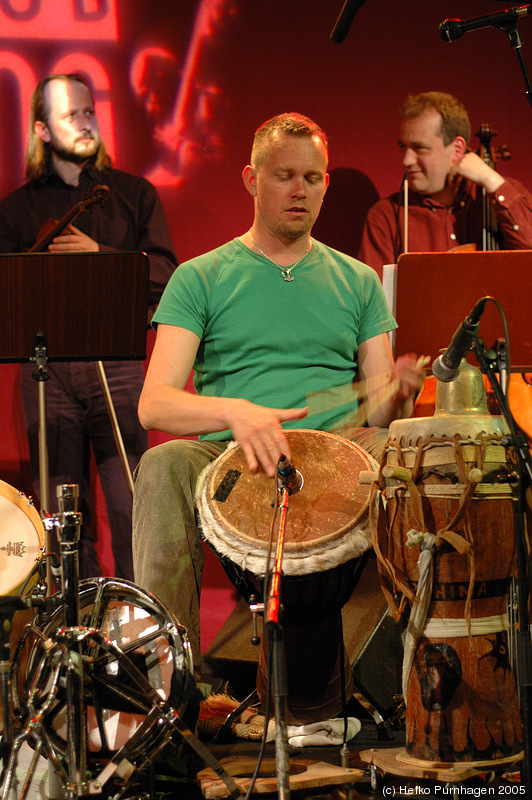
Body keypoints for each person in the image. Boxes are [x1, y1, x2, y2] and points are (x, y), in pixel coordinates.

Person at [132, 111, 424, 674]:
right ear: (251, 179)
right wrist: (235, 411)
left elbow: (382, 410)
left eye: (313, 178)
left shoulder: (358, 281)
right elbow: (155, 403)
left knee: (409, 456)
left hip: (339, 450)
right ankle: (168, 686)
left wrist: (400, 392)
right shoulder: (201, 276)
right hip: (231, 458)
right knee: (165, 462)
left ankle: (415, 675)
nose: (300, 190)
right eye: (284, 175)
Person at [0, 73, 178, 580]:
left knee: (130, 505)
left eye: (88, 111)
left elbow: (165, 274)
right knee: (61, 513)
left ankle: (136, 620)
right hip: (47, 374)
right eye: (69, 115)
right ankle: (75, 627)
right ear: (41, 130)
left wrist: (100, 256)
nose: (84, 122)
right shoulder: (16, 210)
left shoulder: (133, 195)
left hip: (119, 367)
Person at [359, 91, 532, 277]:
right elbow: (374, 299)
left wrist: (492, 181)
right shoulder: (386, 217)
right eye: (403, 147)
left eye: (420, 148)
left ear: (457, 149)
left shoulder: (499, 196)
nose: (407, 160)